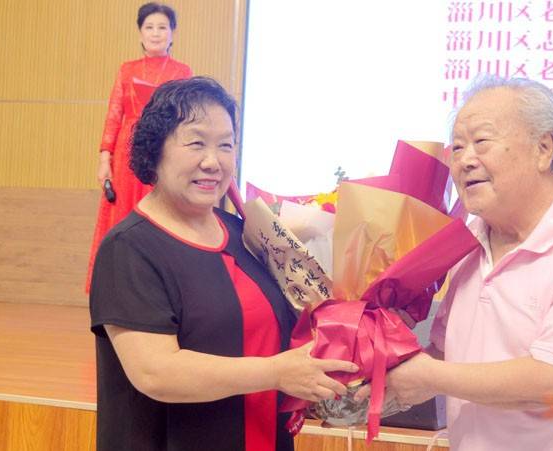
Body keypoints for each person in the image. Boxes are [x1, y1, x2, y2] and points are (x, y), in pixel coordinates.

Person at [380, 76, 553, 450]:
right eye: (457, 147)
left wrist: (430, 376)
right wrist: (376, 360)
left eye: (481, 142)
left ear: (544, 148)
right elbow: (445, 353)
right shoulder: (466, 244)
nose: (465, 160)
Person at [89, 77, 358, 451]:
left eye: (226, 145)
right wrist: (277, 372)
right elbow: (156, 372)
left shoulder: (243, 232)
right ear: (155, 149)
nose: (212, 161)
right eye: (196, 143)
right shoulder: (129, 248)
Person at [87, 2, 192, 292]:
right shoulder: (127, 70)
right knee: (122, 217)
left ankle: (157, 286)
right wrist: (104, 159)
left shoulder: (183, 72)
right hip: (126, 155)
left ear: (172, 33)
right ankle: (117, 287)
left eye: (162, 27)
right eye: (149, 27)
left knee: (160, 215)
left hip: (163, 151)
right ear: (140, 33)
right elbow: (114, 115)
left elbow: (186, 116)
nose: (156, 33)